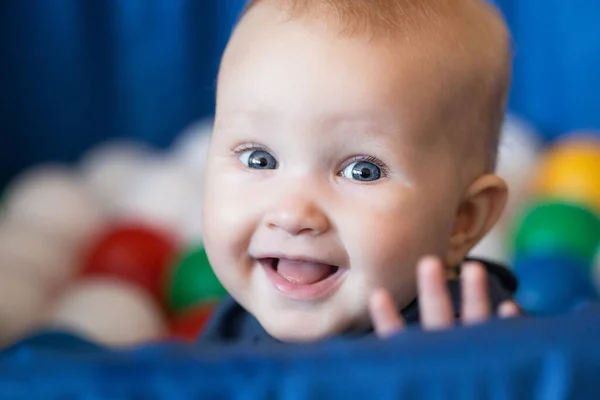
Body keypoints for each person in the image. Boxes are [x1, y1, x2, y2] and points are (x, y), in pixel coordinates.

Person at [199, 0, 521, 345]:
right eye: (258, 159)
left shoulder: (475, 339)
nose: (292, 215)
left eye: (362, 171)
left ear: (463, 218)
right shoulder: (231, 332)